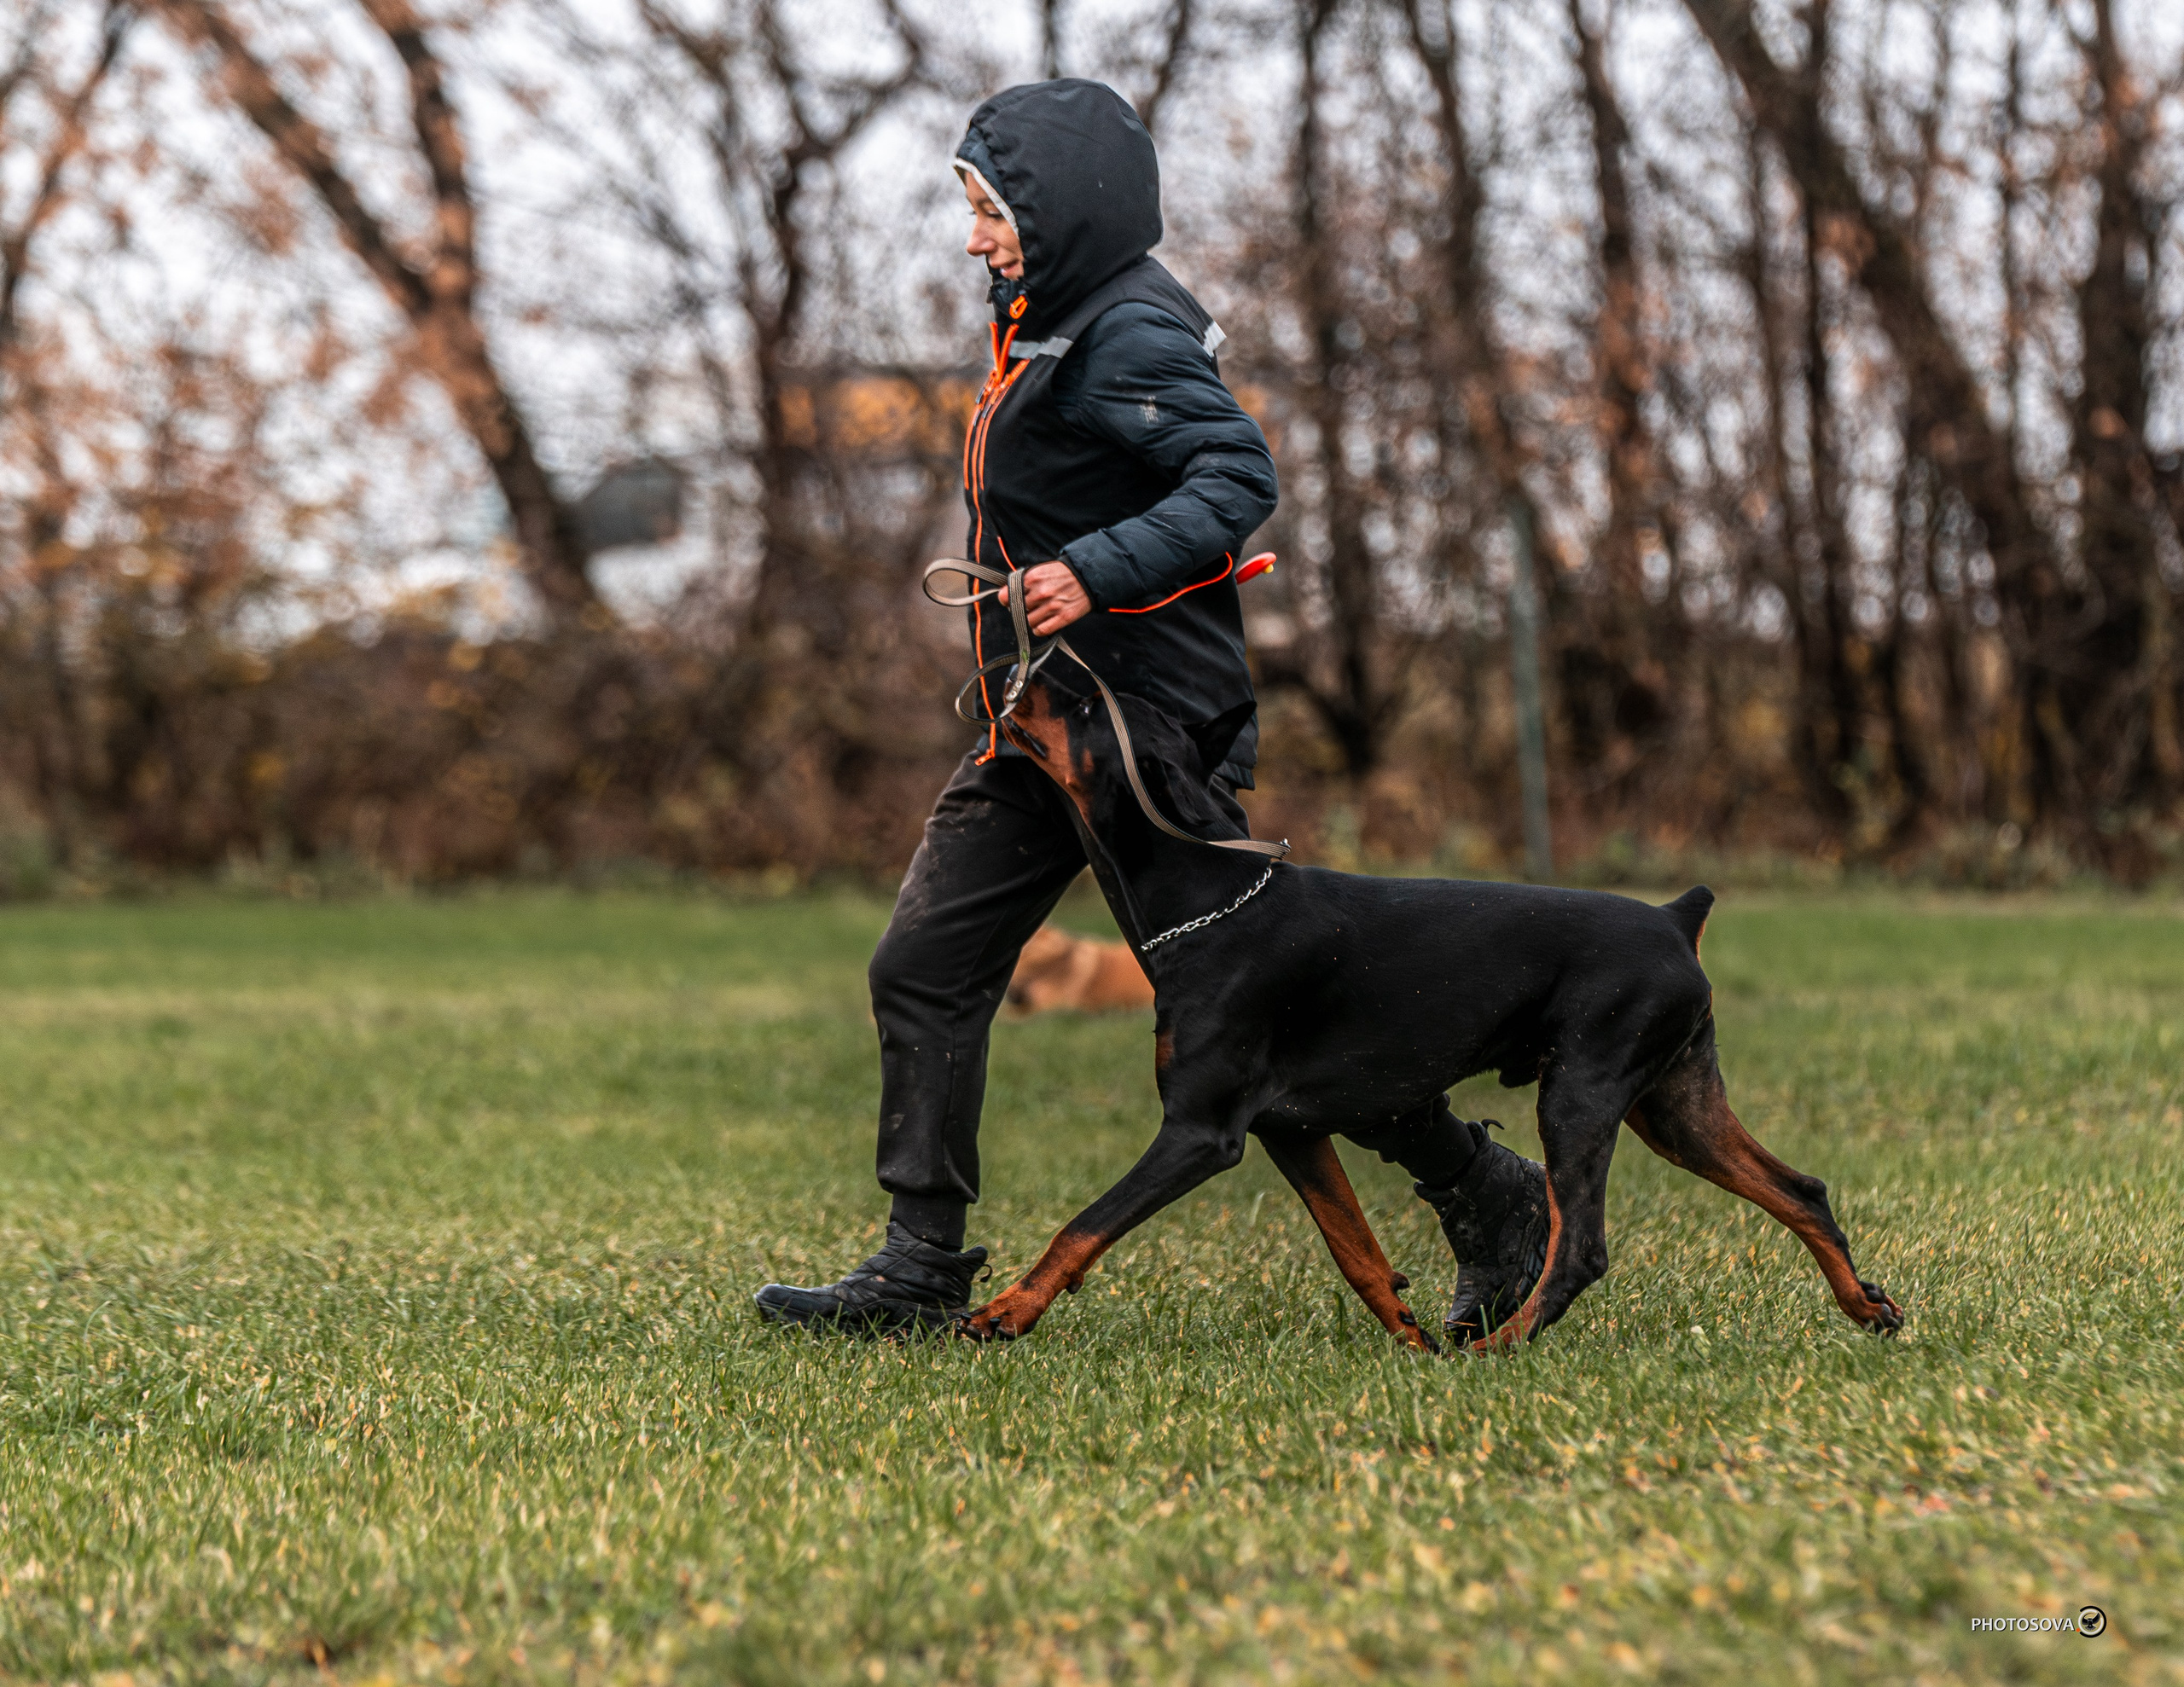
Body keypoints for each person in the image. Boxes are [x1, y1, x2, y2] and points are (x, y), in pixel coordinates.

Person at [755, 79, 1548, 1338]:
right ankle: (917, 1269)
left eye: (991, 211)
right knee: (926, 965)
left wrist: (1094, 569)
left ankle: (1489, 1194)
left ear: (1061, 210)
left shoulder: (1125, 329)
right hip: (1045, 724)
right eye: (973, 209)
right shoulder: (1045, 318)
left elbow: (1237, 473)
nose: (975, 238)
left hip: (1151, 738)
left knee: (1258, 1020)